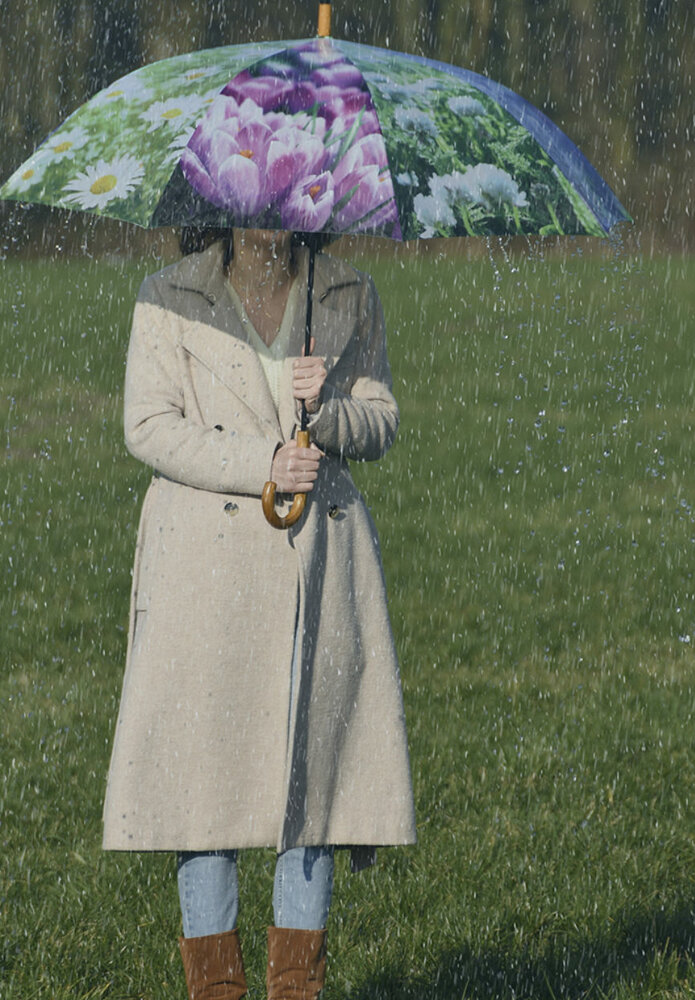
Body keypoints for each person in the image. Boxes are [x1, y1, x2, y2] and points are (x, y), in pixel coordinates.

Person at [103, 226, 416, 1000]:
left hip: (323, 564)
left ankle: (294, 991)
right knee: (204, 789)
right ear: (219, 198)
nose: (268, 211)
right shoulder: (166, 296)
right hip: (203, 580)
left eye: (284, 194)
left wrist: (330, 412)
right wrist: (261, 463)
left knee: (309, 786)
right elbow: (146, 424)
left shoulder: (348, 294)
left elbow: (382, 419)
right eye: (250, 192)